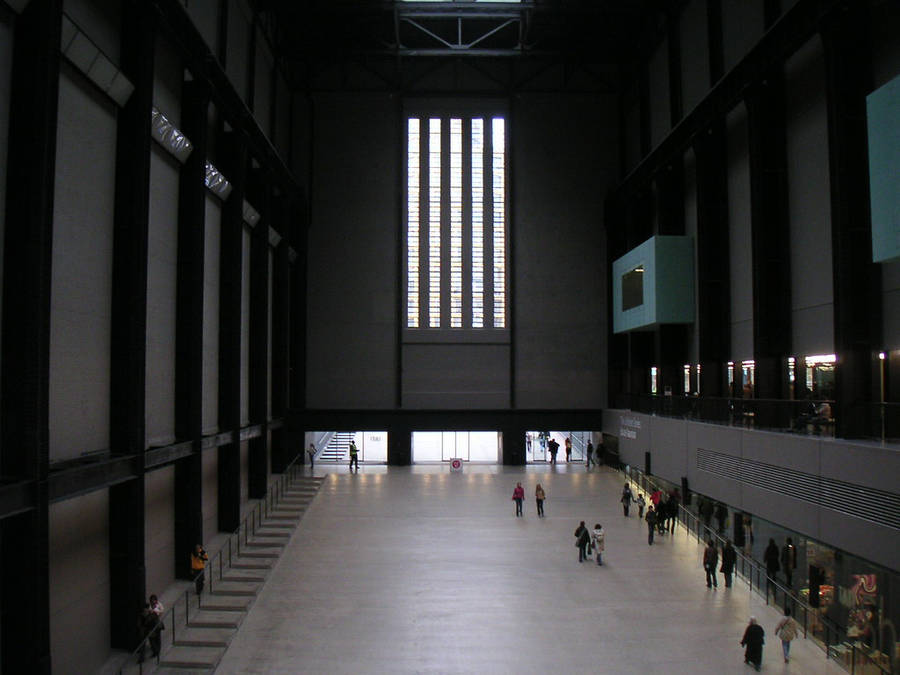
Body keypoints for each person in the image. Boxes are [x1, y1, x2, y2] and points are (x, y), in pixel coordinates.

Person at [147, 595, 163, 659]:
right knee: (151, 638)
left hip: (156, 624)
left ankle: (157, 651)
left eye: (154, 600)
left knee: (157, 638)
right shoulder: (149, 606)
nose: (153, 601)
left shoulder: (158, 605)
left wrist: (155, 611)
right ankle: (155, 650)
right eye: (152, 600)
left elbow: (160, 611)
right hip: (151, 624)